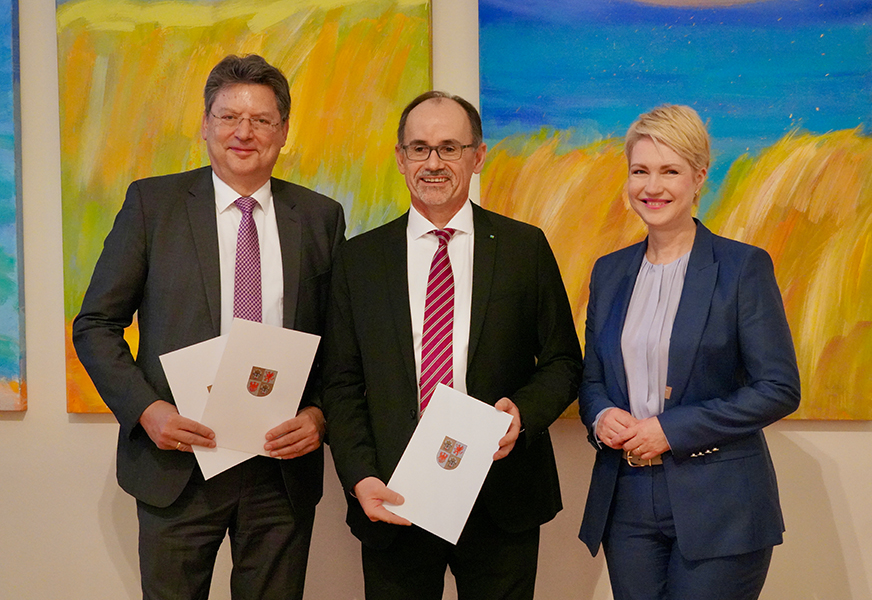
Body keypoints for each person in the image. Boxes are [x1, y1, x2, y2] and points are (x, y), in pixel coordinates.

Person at [72, 54, 345, 600]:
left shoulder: (320, 216)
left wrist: (319, 416)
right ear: (205, 124)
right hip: (178, 464)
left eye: (262, 120)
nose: (244, 133)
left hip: (279, 472)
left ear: (284, 131)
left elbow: (341, 342)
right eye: (228, 117)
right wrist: (148, 411)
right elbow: (96, 324)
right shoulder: (153, 204)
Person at [321, 91, 582, 600]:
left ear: (478, 155)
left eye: (449, 148)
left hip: (499, 497)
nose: (433, 163)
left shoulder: (523, 248)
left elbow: (563, 362)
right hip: (394, 498)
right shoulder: (359, 261)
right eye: (419, 148)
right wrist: (360, 478)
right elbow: (341, 384)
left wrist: (523, 415)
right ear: (400, 159)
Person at [578, 104, 801, 600]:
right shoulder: (609, 273)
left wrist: (668, 430)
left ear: (698, 177)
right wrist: (601, 417)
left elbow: (780, 389)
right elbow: (592, 380)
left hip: (720, 502)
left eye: (669, 171)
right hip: (626, 502)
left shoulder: (742, 267)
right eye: (640, 171)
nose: (652, 186)